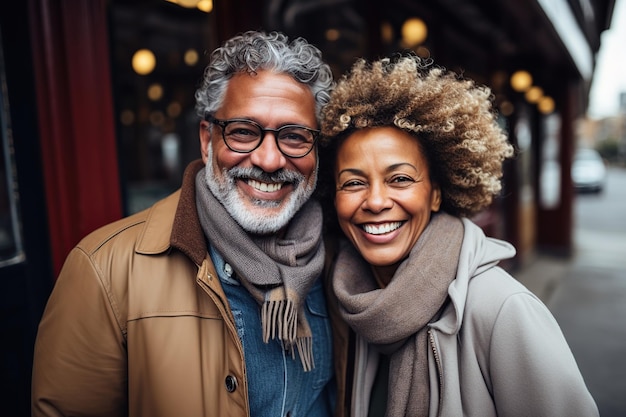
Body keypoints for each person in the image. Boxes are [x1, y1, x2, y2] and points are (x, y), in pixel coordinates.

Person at [31, 30, 336, 417]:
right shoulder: (105, 270)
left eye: (293, 137)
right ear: (207, 140)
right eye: (243, 132)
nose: (270, 161)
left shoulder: (337, 254)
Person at [317, 54, 599, 417]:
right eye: (353, 182)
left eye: (400, 179)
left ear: (436, 193)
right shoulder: (352, 304)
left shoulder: (502, 310)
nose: (374, 201)